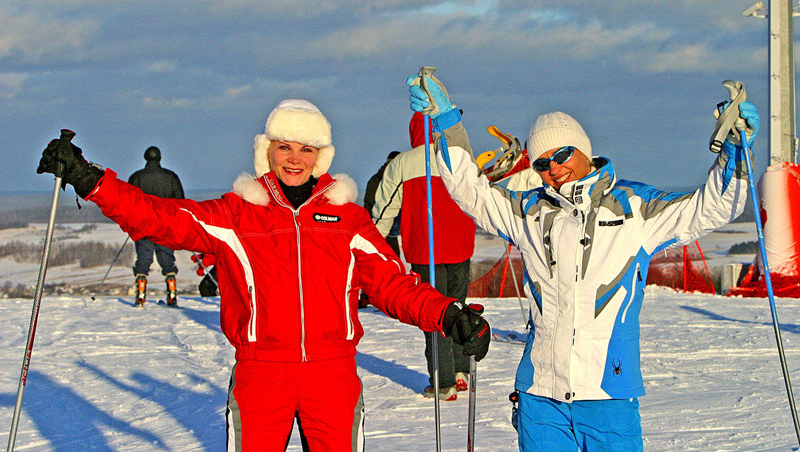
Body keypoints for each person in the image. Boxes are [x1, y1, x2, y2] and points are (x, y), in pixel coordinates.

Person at [37, 98, 491, 451]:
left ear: (321, 156)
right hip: (261, 375)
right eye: (285, 147)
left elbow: (394, 284)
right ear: (267, 150)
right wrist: (91, 179)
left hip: (331, 376)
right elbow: (160, 217)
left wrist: (447, 314)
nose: (295, 158)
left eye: (306, 148)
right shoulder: (238, 214)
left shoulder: (348, 219)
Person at [406, 73, 759, 451]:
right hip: (540, 396)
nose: (554, 168)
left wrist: (735, 151)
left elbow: (711, 207)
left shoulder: (634, 209)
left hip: (608, 394)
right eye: (542, 163)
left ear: (584, 150)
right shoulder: (529, 211)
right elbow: (470, 190)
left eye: (562, 155)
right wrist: (447, 123)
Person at [372, 112, 477, 401]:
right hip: (461, 246)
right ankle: (460, 371)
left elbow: (385, 207)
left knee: (434, 313)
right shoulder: (460, 158)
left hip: (425, 250)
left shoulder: (403, 163)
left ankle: (443, 383)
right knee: (458, 308)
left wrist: (373, 243)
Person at [128, 146, 185, 307]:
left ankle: (140, 294)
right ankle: (172, 293)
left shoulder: (136, 177)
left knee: (144, 257)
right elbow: (180, 201)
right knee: (167, 258)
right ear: (159, 158)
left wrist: (130, 222)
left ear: (146, 157)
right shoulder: (171, 177)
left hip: (142, 224)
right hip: (165, 224)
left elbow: (129, 202)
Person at [359, 150, 401, 308]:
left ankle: (368, 295)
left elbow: (368, 203)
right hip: (385, 225)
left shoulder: (375, 179)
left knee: (374, 262)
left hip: (373, 225)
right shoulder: (391, 179)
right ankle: (385, 296)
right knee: (390, 261)